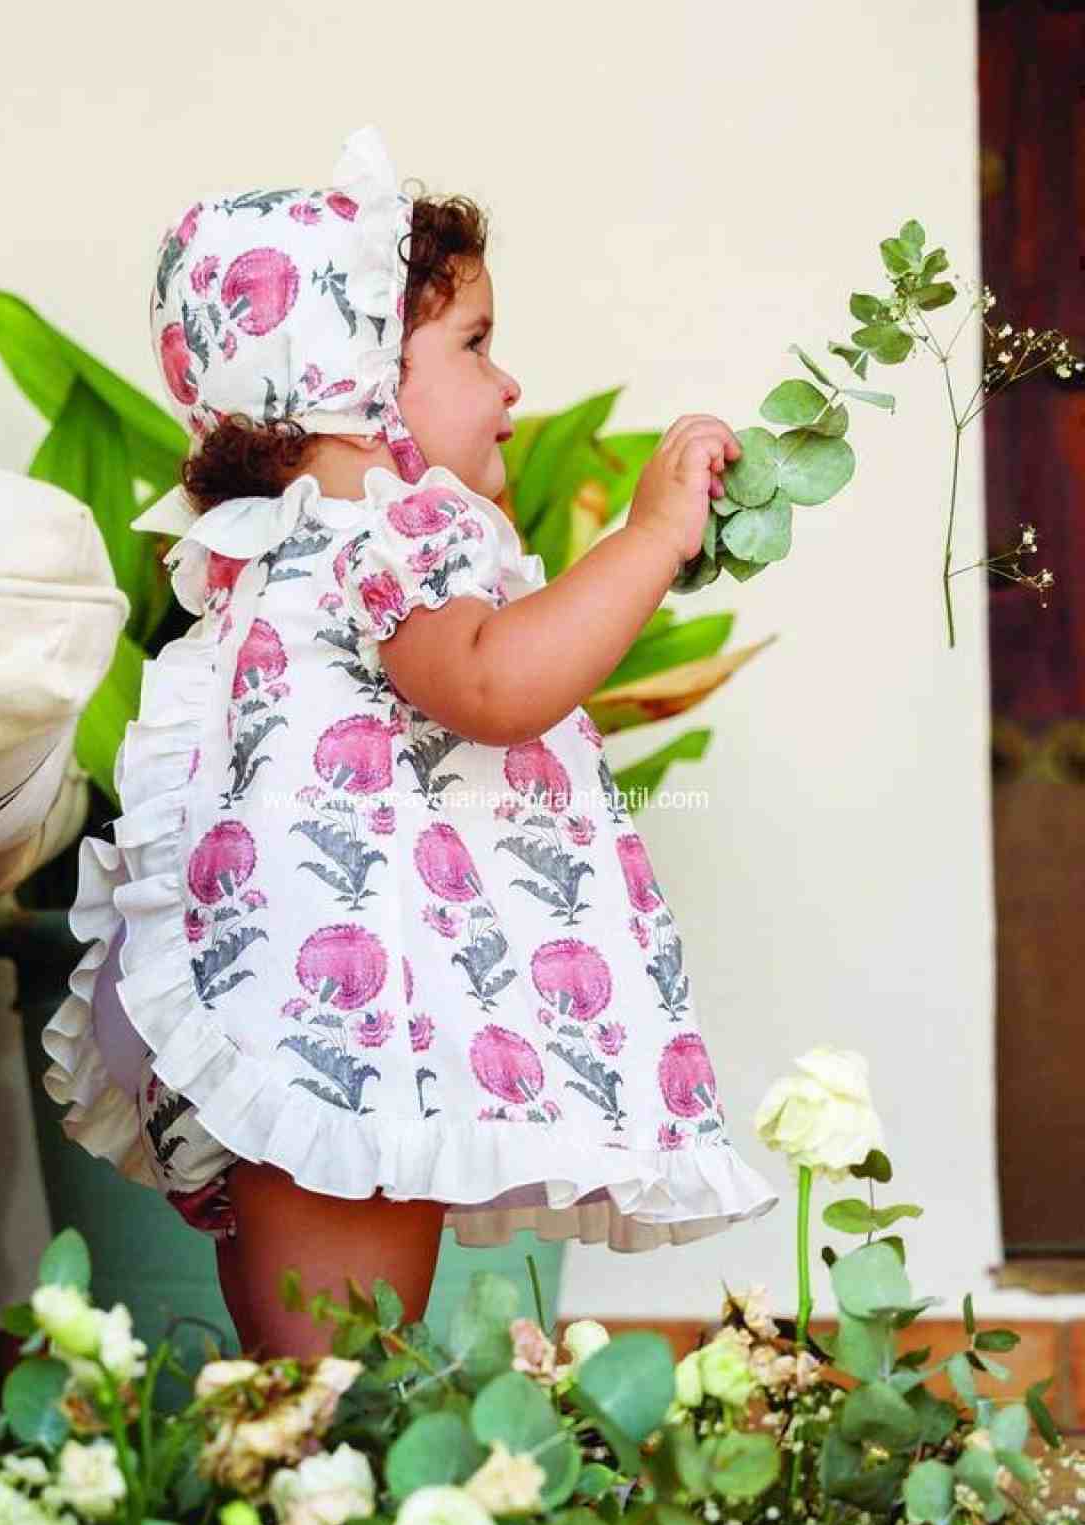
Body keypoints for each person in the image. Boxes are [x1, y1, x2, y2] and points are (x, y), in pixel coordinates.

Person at [42, 124, 776, 1358]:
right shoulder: (384, 534)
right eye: (475, 345)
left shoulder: (291, 547)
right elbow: (494, 683)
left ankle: (298, 1469)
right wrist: (649, 537)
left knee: (306, 1377)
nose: (509, 384)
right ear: (350, 384)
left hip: (291, 1012)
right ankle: (323, 1477)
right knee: (342, 1375)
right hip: (349, 1030)